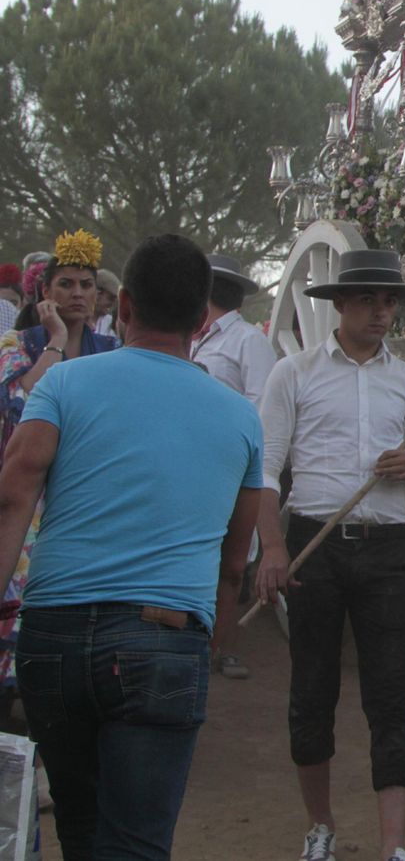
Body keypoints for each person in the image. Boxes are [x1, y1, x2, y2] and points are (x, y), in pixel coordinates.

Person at [0, 234, 263, 859]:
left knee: (81, 831)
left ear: (122, 308)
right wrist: (214, 643)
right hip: (166, 638)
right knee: (138, 842)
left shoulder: (62, 385)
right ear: (202, 319)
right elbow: (235, 557)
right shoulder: (240, 418)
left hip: (54, 636)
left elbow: (13, 496)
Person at [254, 250, 405, 861]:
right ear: (339, 305)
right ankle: (320, 827)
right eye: (369, 301)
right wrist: (273, 547)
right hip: (313, 545)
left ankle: (393, 847)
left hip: (386, 548)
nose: (383, 312)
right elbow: (265, 470)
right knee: (312, 691)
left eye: (390, 303)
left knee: (390, 695)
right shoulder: (295, 374)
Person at [0, 232, 121, 705]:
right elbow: (23, 400)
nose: (76, 294)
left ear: (98, 295)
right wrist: (54, 340)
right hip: (28, 493)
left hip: (87, 493)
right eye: (66, 284)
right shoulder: (18, 343)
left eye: (86, 285)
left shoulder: (111, 350)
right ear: (44, 292)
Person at [193, 253, 279, 681]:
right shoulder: (194, 339)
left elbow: (260, 406)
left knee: (230, 563)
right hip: (189, 460)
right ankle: (195, 641)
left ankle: (221, 647)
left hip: (227, 461)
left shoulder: (248, 341)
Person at [93, 269, 120, 337]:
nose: (112, 304)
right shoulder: (78, 320)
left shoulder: (111, 323)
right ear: (97, 293)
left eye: (115, 300)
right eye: (110, 298)